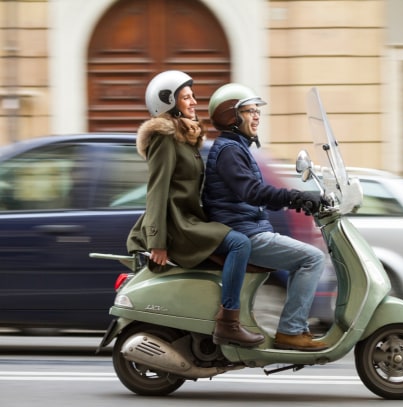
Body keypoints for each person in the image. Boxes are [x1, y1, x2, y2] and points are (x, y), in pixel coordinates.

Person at [126, 71, 264, 348]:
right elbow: (157, 191)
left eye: (192, 96)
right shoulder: (164, 138)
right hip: (177, 225)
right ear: (168, 102)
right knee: (239, 244)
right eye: (186, 96)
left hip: (189, 219)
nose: (193, 101)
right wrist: (158, 242)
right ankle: (228, 323)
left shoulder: (183, 136)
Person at [203, 83, 328, 351]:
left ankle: (293, 328)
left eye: (257, 111)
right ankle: (291, 331)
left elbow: (253, 194)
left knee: (305, 257)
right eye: (249, 111)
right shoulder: (228, 151)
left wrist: (301, 201)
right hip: (243, 232)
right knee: (312, 258)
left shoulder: (236, 148)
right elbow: (251, 191)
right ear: (230, 116)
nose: (257, 116)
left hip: (249, 227)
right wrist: (295, 198)